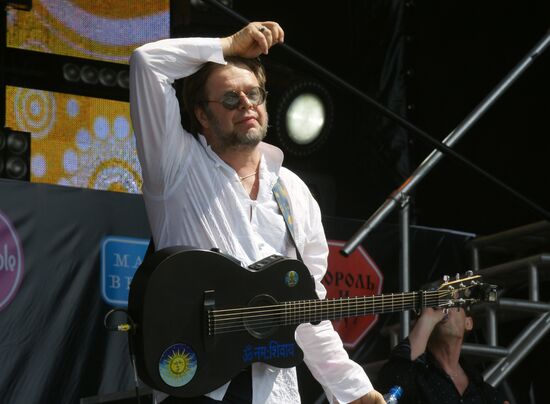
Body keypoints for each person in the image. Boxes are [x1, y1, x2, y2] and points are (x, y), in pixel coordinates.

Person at [129, 20, 385, 404]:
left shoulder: (294, 192)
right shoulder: (176, 165)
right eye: (231, 99)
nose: (247, 105)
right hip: (196, 388)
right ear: (202, 115)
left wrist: (354, 389)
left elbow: (307, 309)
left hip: (274, 392)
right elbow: (147, 63)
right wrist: (228, 44)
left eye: (254, 94)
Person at [377, 307, 510, 404]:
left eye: (452, 302)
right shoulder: (416, 373)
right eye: (437, 304)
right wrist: (426, 321)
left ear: (468, 322)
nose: (444, 308)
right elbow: (391, 387)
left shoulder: (480, 388)